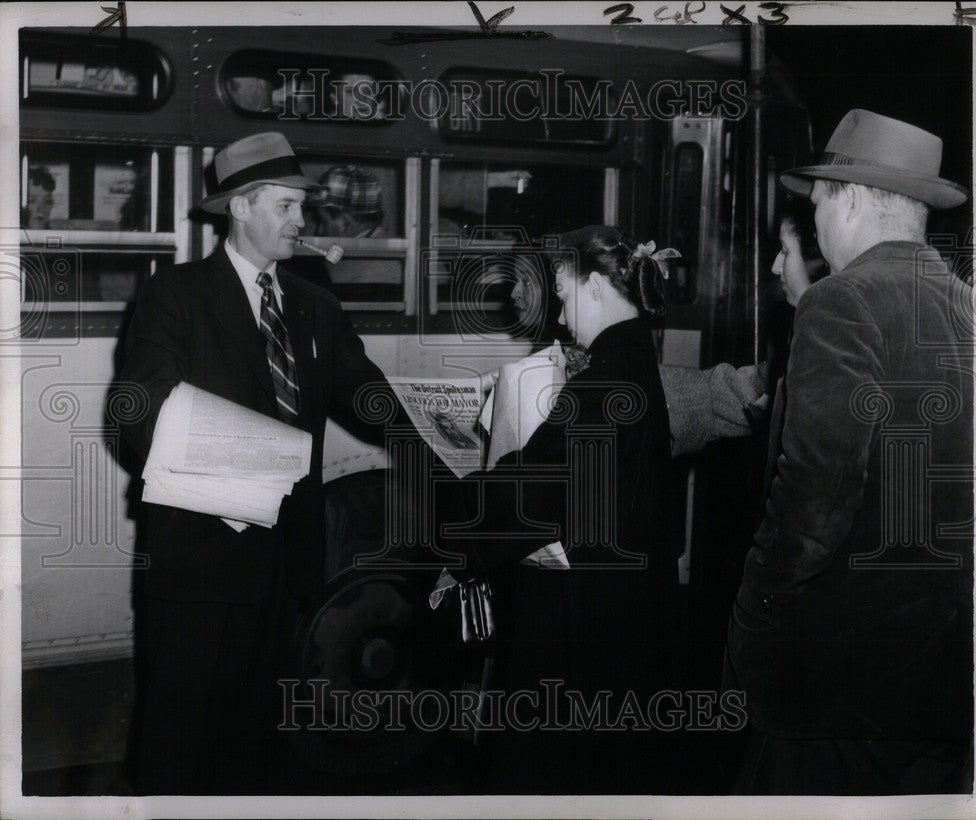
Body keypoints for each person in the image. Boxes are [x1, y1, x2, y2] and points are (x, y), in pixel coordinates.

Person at [118, 132, 414, 794]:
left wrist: (442, 432)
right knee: (180, 738)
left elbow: (369, 402)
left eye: (301, 207)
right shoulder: (176, 296)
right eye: (286, 206)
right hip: (201, 560)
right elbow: (136, 410)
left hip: (288, 568)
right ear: (243, 206)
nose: (301, 221)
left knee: (261, 747)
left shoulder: (316, 306)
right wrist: (236, 483)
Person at [726, 109, 974, 794]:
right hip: (949, 688)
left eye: (819, 204)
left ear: (854, 198)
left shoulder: (840, 302)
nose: (818, 224)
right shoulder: (970, 309)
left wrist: (753, 623)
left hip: (839, 686)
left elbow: (813, 500)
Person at [435, 226, 682, 793]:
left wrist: (444, 499)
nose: (562, 314)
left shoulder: (602, 384)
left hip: (586, 630)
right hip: (628, 620)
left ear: (595, 285)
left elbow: (534, 491)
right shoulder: (634, 366)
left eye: (565, 294)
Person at [661, 200, 828, 456]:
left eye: (785, 251)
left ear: (816, 263)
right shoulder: (807, 337)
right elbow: (746, 392)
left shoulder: (828, 350)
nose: (774, 267)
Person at [311, 164, 385, 238]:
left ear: (344, 222)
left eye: (323, 223)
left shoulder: (359, 249)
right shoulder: (381, 244)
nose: (319, 231)